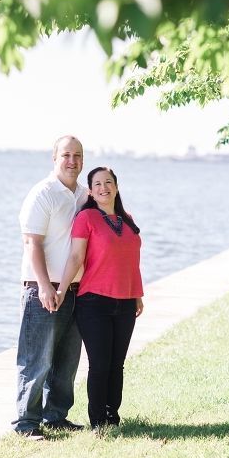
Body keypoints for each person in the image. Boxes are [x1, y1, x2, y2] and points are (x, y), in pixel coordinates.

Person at [12, 135, 88, 440]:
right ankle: (26, 423)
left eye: (78, 156)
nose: (72, 161)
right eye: (66, 155)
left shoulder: (84, 195)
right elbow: (32, 242)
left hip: (75, 289)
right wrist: (45, 286)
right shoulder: (43, 193)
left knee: (67, 361)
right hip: (41, 288)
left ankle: (56, 417)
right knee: (36, 358)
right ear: (54, 158)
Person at [56, 166, 144, 431]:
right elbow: (75, 257)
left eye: (108, 182)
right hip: (94, 301)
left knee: (118, 365)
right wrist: (60, 289)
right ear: (91, 191)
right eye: (97, 184)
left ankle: (112, 417)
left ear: (116, 187)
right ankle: (98, 422)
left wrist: (137, 294)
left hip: (126, 302)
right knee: (100, 365)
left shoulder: (126, 218)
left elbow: (132, 260)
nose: (103, 187)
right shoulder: (86, 218)